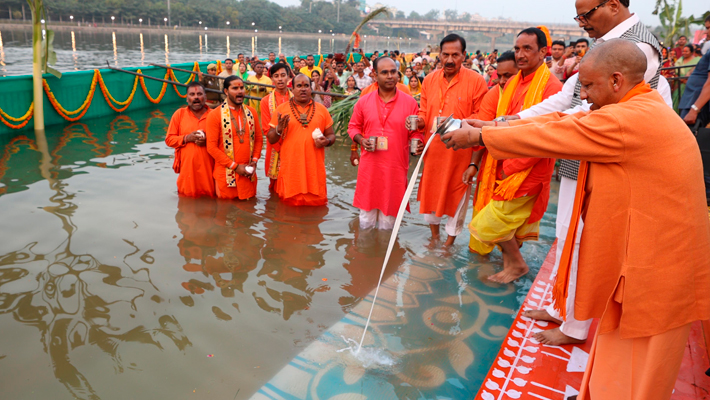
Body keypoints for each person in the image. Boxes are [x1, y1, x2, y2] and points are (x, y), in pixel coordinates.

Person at [444, 38, 710, 400]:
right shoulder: (637, 106)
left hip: (659, 267)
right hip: (646, 258)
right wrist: (496, 126)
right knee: (619, 351)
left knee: (642, 372)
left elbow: (560, 132)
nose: (583, 95)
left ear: (616, 80)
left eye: (588, 85)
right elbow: (565, 118)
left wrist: (479, 136)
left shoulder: (628, 118)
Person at [498, 0, 674, 347]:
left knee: (584, 240)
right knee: (566, 234)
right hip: (580, 154)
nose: (581, 23)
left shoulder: (637, 46)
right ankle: (561, 307)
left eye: (586, 15)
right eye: (577, 16)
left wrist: (501, 132)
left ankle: (576, 326)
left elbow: (583, 111)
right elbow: (567, 98)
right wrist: (508, 122)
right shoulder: (605, 41)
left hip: (604, 157)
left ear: (612, 5)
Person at [467, 28, 562, 283]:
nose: (520, 54)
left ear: (544, 52)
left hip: (527, 171)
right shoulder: (512, 82)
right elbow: (503, 122)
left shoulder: (552, 87)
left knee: (487, 224)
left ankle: (517, 265)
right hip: (504, 162)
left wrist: (511, 167)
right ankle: (510, 266)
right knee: (507, 224)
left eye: (527, 49)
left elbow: (543, 137)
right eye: (517, 48)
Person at [408, 33, 489, 247]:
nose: (450, 60)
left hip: (460, 155)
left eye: (455, 55)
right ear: (439, 55)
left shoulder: (477, 81)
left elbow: (481, 122)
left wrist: (474, 162)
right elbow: (424, 113)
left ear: (464, 56)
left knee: (458, 196)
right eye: (445, 55)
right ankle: (434, 238)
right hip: (433, 153)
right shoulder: (430, 80)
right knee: (431, 194)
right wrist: (417, 122)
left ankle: (448, 245)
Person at [348, 57, 424, 230]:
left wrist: (418, 142)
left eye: (393, 72)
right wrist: (361, 140)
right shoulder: (363, 101)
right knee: (365, 221)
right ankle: (364, 255)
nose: (390, 76)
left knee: (388, 225)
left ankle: (385, 255)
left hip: (395, 168)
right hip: (370, 168)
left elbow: (416, 132)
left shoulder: (410, 102)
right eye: (384, 72)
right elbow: (353, 127)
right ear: (375, 75)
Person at [267, 74, 336, 206]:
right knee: (287, 210)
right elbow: (271, 139)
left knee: (316, 210)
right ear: (292, 89)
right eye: (299, 86)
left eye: (306, 86)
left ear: (311, 88)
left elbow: (331, 135)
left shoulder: (322, 110)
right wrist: (278, 130)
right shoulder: (282, 110)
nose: (303, 89)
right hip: (291, 170)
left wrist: (327, 141)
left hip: (314, 170)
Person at [205, 76, 263, 200]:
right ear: (226, 91)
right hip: (226, 177)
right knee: (227, 215)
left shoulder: (251, 113)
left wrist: (255, 161)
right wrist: (235, 167)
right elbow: (211, 148)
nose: (240, 91)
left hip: (248, 174)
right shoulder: (214, 115)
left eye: (242, 88)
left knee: (250, 212)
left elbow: (259, 139)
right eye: (235, 88)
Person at [165, 82, 215, 198]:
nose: (196, 97)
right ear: (187, 98)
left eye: (199, 94)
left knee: (211, 204)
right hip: (187, 172)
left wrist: (208, 140)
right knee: (186, 205)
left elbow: (223, 142)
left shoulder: (214, 115)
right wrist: (187, 138)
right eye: (192, 94)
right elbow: (169, 140)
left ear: (205, 97)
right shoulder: (179, 114)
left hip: (210, 171)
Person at [260, 63, 293, 192]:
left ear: (289, 77)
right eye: (276, 76)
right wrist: (281, 149)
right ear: (272, 79)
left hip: (293, 146)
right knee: (274, 187)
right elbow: (266, 130)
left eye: (283, 75)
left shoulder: (296, 99)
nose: (280, 79)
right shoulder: (265, 101)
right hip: (274, 146)